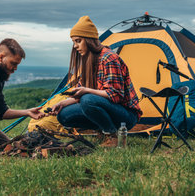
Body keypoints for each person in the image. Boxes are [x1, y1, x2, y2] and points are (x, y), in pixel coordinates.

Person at [51, 16, 142, 147]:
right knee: (64, 115)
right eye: (74, 42)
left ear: (89, 40)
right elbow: (82, 93)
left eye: (78, 41)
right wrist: (63, 103)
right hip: (105, 107)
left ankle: (112, 136)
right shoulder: (88, 60)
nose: (75, 46)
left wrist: (86, 91)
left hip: (126, 115)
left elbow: (115, 95)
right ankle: (102, 130)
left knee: (88, 100)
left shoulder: (109, 58)